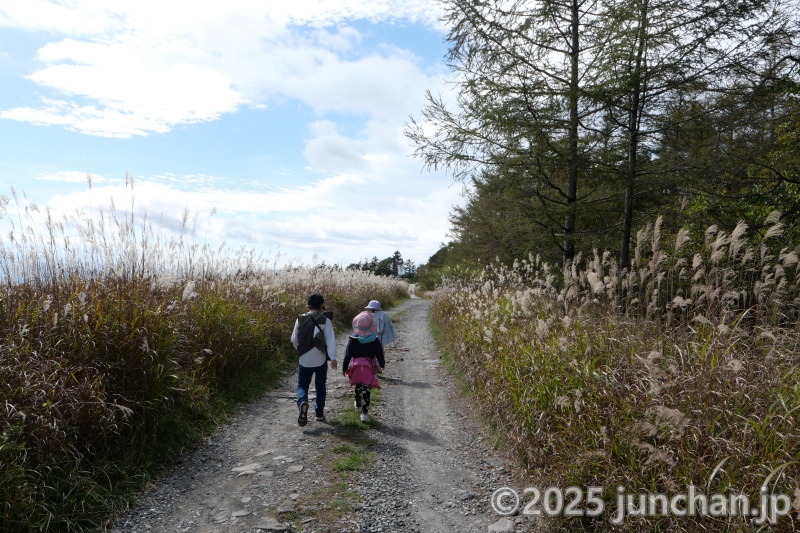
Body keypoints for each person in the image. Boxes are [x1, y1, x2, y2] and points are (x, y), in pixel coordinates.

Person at [290, 293, 337, 426]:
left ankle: (302, 402)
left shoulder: (300, 319)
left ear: (307, 306)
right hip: (320, 359)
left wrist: (300, 350)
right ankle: (319, 413)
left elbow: (294, 339)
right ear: (322, 305)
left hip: (305, 359)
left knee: (303, 385)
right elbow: (330, 340)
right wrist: (333, 357)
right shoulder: (325, 320)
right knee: (320, 386)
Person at [342, 311, 385, 423]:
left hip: (356, 367)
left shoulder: (353, 339)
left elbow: (347, 355)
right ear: (372, 326)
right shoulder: (374, 339)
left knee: (358, 386)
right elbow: (380, 354)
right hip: (368, 367)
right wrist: (382, 364)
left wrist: (344, 368)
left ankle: (357, 403)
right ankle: (364, 413)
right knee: (367, 389)